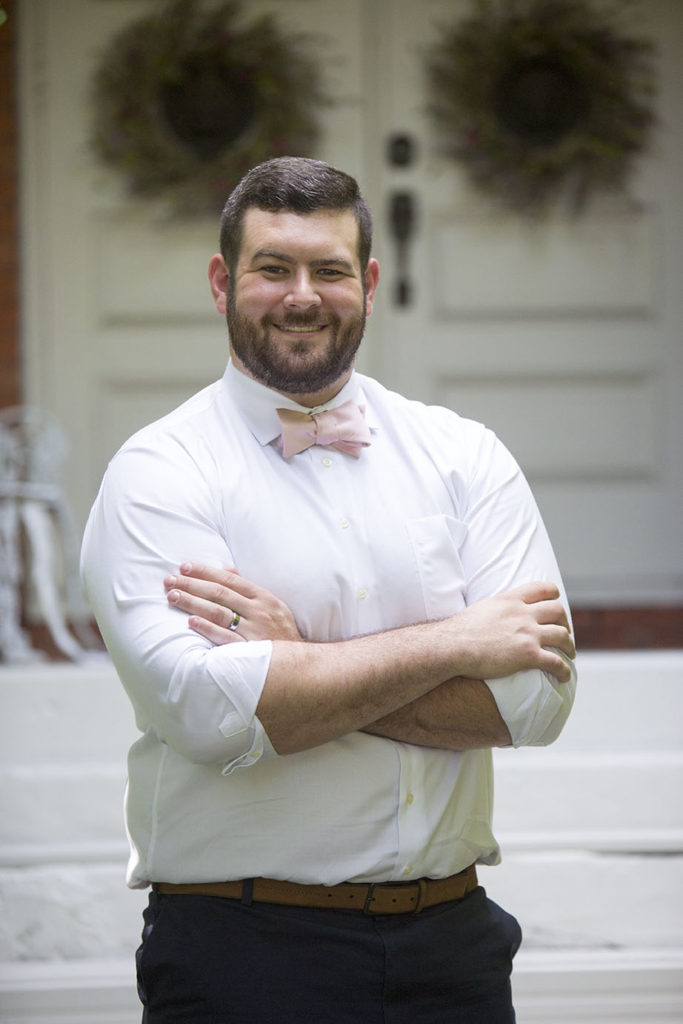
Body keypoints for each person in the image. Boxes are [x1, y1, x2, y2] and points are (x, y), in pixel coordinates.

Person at [80, 156, 577, 1023]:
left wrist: (299, 665)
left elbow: (531, 704)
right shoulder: (161, 472)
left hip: (453, 947)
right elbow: (210, 714)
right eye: (273, 268)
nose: (301, 294)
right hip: (246, 952)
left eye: (330, 270)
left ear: (370, 283)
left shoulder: (463, 455)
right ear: (221, 281)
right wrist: (452, 644)